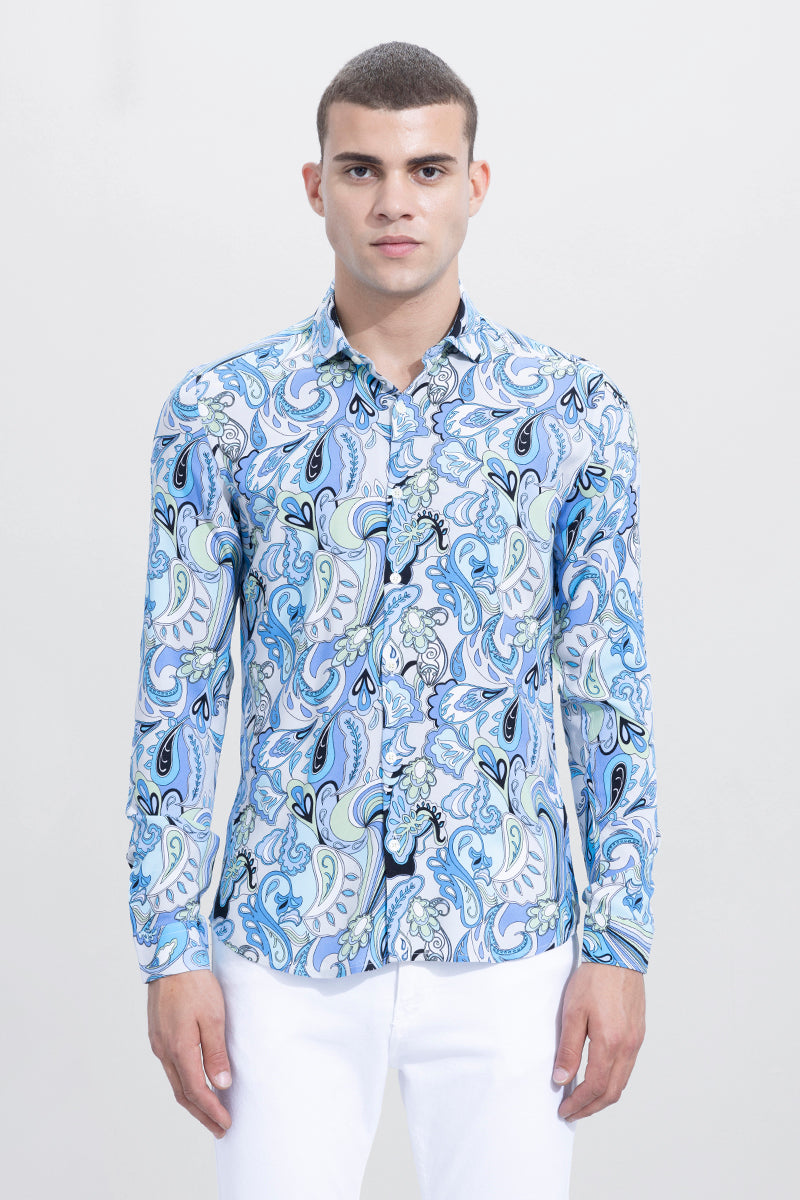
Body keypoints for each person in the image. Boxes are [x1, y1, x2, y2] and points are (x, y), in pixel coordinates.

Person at [125, 40, 661, 1200]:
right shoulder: (223, 415)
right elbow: (180, 693)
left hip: (509, 947)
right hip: (281, 955)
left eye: (426, 170)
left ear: (474, 184)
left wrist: (617, 942)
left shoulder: (570, 412)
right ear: (314, 185)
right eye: (361, 169)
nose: (393, 202)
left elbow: (603, 689)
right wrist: (169, 949)